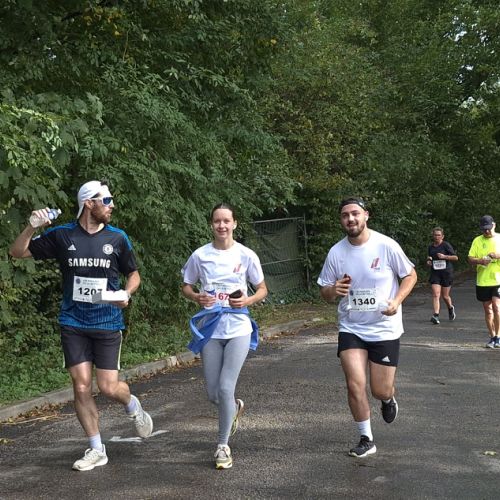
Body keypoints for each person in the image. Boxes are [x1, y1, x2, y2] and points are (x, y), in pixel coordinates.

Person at [9, 180, 153, 471]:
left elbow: (134, 274)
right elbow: (17, 252)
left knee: (109, 387)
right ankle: (96, 448)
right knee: (81, 386)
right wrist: (31, 227)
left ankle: (132, 405)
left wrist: (126, 293)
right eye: (106, 200)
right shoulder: (63, 235)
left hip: (107, 322)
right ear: (89, 203)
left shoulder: (117, 238)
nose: (112, 206)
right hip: (73, 322)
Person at [317, 197, 417, 458]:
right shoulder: (336, 252)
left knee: (379, 389)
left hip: (384, 327)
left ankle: (387, 399)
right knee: (355, 384)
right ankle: (366, 438)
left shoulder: (386, 245)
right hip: (351, 327)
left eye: (355, 214)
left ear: (366, 215)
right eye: (345, 215)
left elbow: (410, 275)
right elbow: (324, 292)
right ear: (341, 220)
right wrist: (333, 290)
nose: (350, 219)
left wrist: (397, 301)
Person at [181, 203, 268, 469]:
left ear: (234, 224)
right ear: (211, 225)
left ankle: (222, 446)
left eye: (226, 221)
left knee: (225, 387)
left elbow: (262, 289)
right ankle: (234, 407)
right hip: (211, 328)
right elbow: (186, 286)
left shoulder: (246, 255)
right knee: (213, 394)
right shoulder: (200, 255)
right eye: (217, 221)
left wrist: (247, 301)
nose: (222, 225)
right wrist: (197, 296)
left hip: (238, 327)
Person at [467, 215, 500, 348]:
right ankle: (492, 336)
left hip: (498, 279)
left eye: (488, 228)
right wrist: (480, 261)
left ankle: (498, 336)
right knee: (488, 310)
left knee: (497, 307)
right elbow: (470, 258)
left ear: (494, 225)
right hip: (483, 281)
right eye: (484, 229)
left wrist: (497, 255)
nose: (486, 231)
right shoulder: (477, 240)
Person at [426, 227, 458, 324]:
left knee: (445, 296)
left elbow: (455, 257)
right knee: (436, 294)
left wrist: (445, 257)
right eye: (435, 235)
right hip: (435, 273)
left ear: (442, 236)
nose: (437, 237)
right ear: (433, 236)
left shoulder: (446, 245)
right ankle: (436, 315)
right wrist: (429, 261)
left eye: (439, 235)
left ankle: (450, 308)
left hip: (446, 273)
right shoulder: (431, 247)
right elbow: (430, 257)